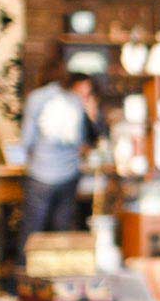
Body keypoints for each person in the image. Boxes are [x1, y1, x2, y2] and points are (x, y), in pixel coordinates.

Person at [17, 68, 102, 258]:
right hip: (69, 174)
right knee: (61, 232)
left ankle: (23, 281)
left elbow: (26, 140)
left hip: (40, 173)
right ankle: (58, 282)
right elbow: (87, 140)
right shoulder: (77, 101)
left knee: (31, 232)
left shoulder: (36, 98)